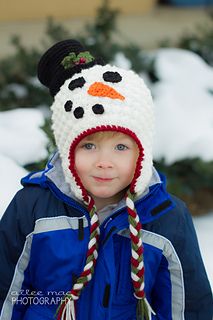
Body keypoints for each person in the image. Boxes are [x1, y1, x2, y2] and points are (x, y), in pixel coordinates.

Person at [0, 39, 212, 320]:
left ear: (142, 153)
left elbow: (188, 306)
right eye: (88, 145)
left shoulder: (167, 218)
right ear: (67, 149)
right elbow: (8, 292)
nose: (104, 161)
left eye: (121, 147)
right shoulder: (33, 207)